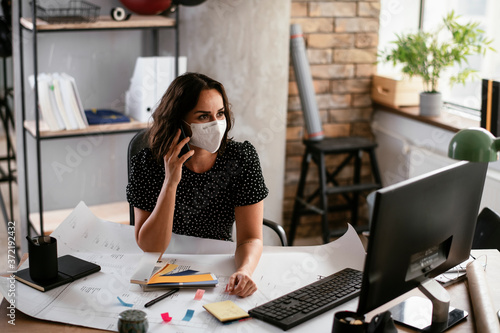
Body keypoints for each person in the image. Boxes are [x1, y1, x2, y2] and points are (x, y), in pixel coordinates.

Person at [126, 72, 269, 297]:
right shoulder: (147, 163)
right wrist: (170, 182)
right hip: (164, 267)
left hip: (218, 265)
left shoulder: (242, 158)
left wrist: (244, 270)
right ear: (179, 122)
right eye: (203, 117)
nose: (215, 124)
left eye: (220, 113)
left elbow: (251, 238)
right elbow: (151, 248)